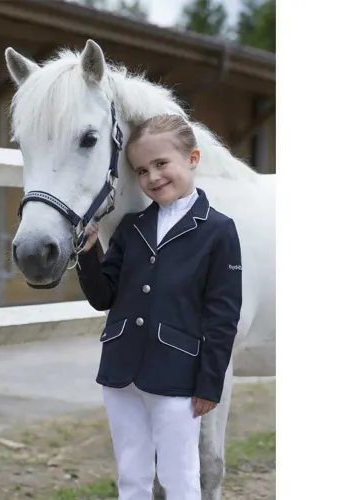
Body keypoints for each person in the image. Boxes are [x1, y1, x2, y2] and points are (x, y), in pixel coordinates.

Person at [75, 114, 242, 500]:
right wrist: (87, 254)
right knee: (131, 475)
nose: (152, 177)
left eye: (161, 163)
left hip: (177, 375)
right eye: (141, 170)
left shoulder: (218, 230)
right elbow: (103, 297)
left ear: (193, 158)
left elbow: (222, 315)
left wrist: (210, 382)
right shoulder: (131, 227)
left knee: (178, 475)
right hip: (120, 371)